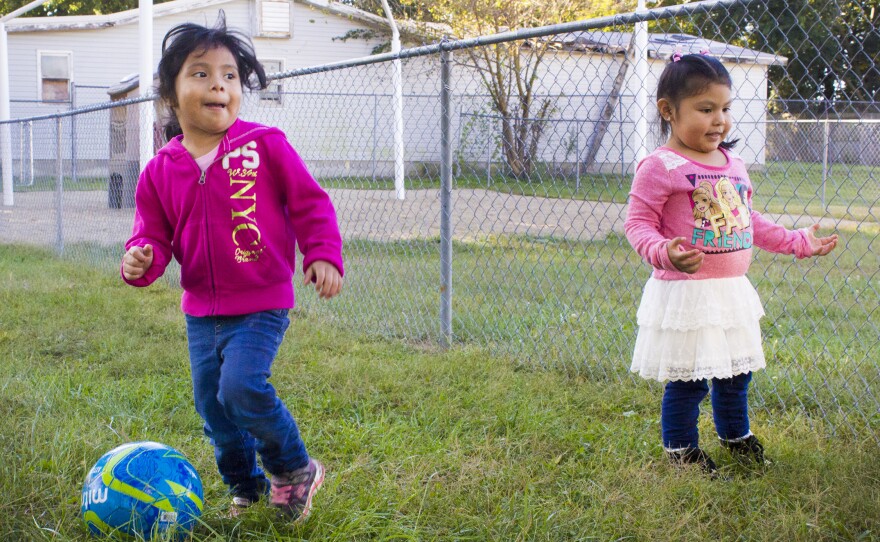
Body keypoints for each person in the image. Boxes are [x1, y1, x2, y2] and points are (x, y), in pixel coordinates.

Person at [120, 13, 344, 520]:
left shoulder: (265, 145)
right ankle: (245, 487)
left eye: (229, 76)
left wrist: (323, 253)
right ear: (172, 96)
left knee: (241, 387)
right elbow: (150, 234)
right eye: (200, 73)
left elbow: (311, 205)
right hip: (201, 311)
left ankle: (293, 468)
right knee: (215, 408)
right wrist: (142, 257)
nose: (218, 83)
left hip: (261, 301)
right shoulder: (160, 170)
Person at [624, 53, 838, 474]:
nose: (719, 120)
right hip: (686, 293)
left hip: (731, 291)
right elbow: (638, 223)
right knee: (689, 381)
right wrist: (664, 251)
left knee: (736, 374)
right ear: (668, 110)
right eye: (706, 110)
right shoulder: (660, 166)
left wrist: (798, 242)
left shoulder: (732, 164)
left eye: (724, 109)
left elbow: (748, 221)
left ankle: (735, 435)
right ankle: (681, 450)